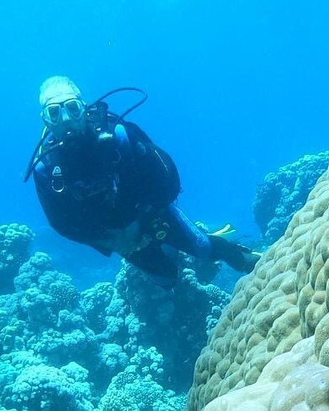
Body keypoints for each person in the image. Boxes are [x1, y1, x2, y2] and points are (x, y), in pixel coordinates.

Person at [24, 76, 261, 287]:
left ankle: (245, 257)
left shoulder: (118, 136)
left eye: (72, 108)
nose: (65, 119)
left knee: (204, 248)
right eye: (54, 112)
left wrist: (146, 218)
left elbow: (167, 176)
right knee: (167, 280)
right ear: (45, 120)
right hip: (117, 236)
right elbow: (61, 224)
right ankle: (169, 254)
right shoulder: (46, 168)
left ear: (84, 109)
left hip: (153, 213)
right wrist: (114, 241)